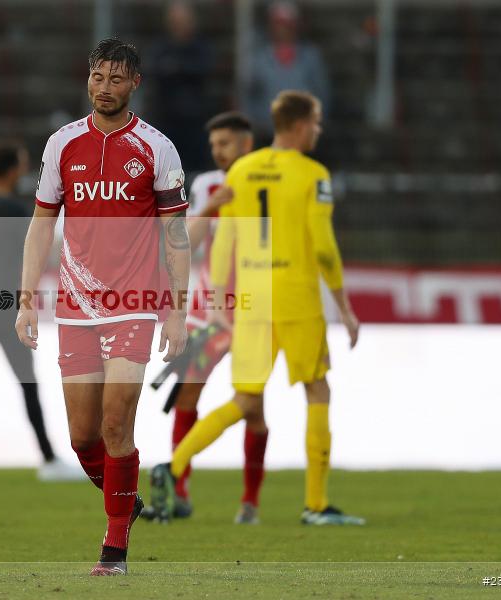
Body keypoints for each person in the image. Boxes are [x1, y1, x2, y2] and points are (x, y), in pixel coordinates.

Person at [150, 90, 365, 526]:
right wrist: (343, 305)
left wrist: (218, 302)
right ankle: (317, 505)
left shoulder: (242, 173)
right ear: (302, 125)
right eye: (315, 126)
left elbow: (224, 241)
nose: (316, 133)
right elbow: (323, 247)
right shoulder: (313, 173)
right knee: (317, 389)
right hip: (296, 298)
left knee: (245, 399)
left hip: (249, 302)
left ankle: (171, 467)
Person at [16, 38, 190, 575]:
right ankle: (128, 499)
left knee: (117, 424)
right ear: (87, 78)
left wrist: (178, 310)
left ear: (134, 83)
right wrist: (27, 301)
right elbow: (41, 226)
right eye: (97, 77)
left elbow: (175, 234)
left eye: (116, 79)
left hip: (135, 304)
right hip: (75, 305)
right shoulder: (61, 145)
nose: (104, 88)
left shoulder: (157, 149)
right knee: (82, 436)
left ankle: (114, 549)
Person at [140, 111, 263, 524]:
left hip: (252, 314)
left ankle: (250, 501)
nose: (218, 151)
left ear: (246, 145)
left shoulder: (267, 182)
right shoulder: (209, 184)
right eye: (214, 145)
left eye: (225, 143)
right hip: (207, 313)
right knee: (187, 398)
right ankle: (178, 488)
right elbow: (185, 242)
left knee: (253, 407)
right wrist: (210, 207)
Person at [0, 141, 82, 484]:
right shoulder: (14, 208)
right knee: (27, 383)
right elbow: (42, 249)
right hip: (4, 305)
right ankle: (49, 460)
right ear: (10, 170)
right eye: (21, 166)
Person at [148, 1, 214, 172]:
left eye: (183, 21)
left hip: (195, 121)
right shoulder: (160, 47)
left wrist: (175, 68)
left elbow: (203, 69)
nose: (179, 26)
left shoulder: (201, 46)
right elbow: (154, 70)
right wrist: (182, 70)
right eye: (175, 21)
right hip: (167, 120)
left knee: (195, 171)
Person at [244, 2, 330, 132]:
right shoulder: (258, 58)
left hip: (301, 131)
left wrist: (315, 122)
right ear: (270, 26)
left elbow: (323, 93)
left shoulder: (311, 56)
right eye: (278, 23)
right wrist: (254, 121)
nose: (282, 29)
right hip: (267, 130)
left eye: (287, 24)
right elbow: (247, 94)